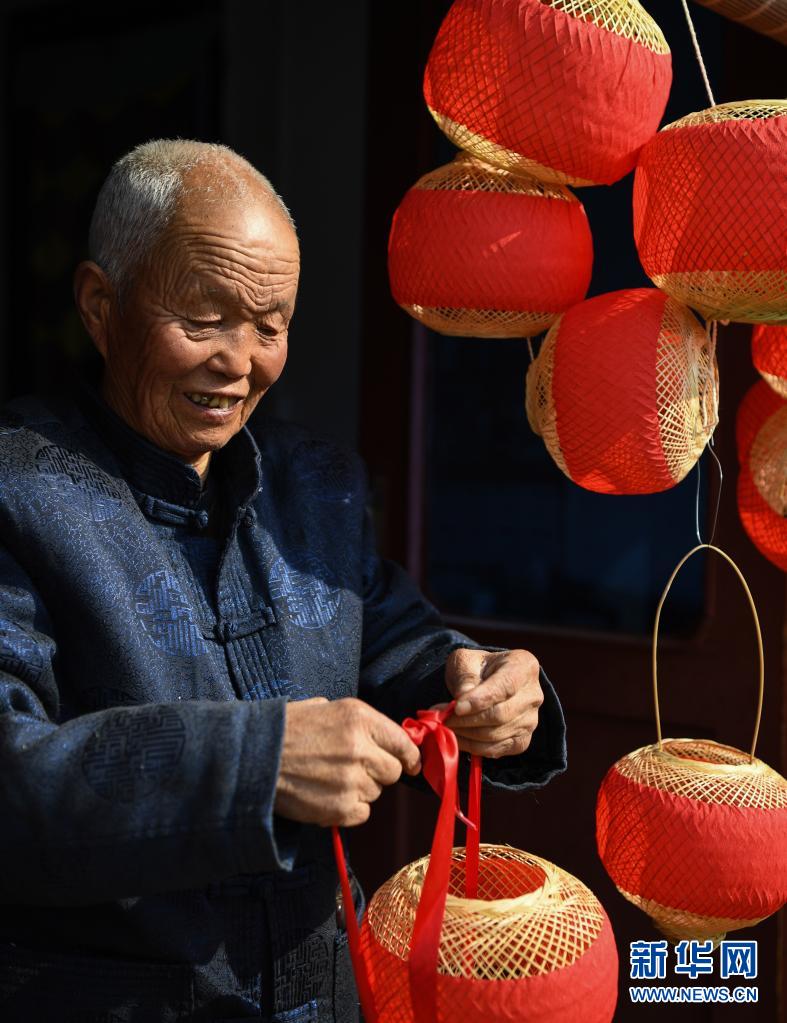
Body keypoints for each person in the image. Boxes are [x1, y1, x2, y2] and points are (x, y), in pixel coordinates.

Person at [0, 140, 566, 1022]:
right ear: (100, 306)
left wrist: (474, 676)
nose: (240, 361)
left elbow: (394, 638)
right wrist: (255, 766)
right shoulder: (20, 488)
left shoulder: (315, 486)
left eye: (269, 326)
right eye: (205, 318)